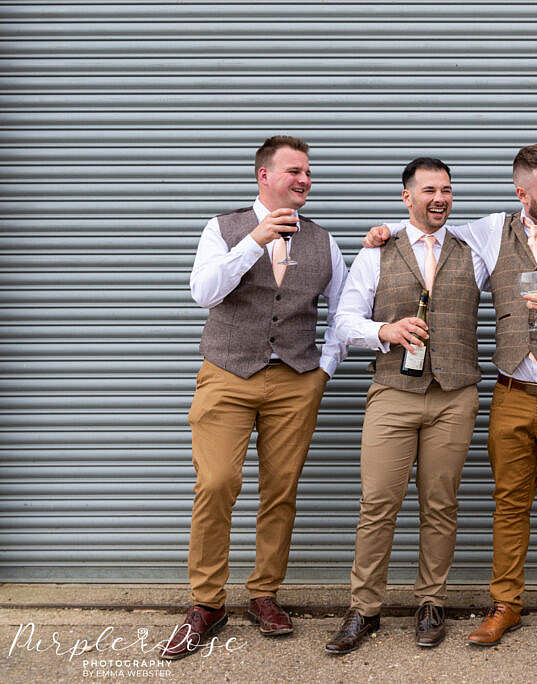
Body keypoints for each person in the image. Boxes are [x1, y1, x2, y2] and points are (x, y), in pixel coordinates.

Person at [364, 144, 537, 655]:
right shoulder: (487, 232)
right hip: (510, 394)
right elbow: (427, 236)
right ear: (521, 193)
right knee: (509, 506)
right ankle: (505, 604)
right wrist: (382, 234)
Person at [161, 135, 348, 660]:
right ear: (264, 175)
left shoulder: (324, 241)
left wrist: (322, 370)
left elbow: (343, 312)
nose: (304, 180)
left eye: (308, 172)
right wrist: (255, 241)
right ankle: (207, 603)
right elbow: (204, 293)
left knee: (280, 490)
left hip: (295, 379)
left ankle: (264, 593)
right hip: (227, 374)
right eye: (294, 171)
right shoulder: (223, 228)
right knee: (217, 482)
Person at [324, 158, 489, 655]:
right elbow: (343, 320)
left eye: (446, 189)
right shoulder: (377, 252)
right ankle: (364, 608)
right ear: (406, 196)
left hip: (455, 393)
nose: (439, 198)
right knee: (377, 504)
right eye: (428, 190)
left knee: (441, 504)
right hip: (393, 394)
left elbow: (527, 230)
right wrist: (385, 331)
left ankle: (430, 603)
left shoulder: (474, 249)